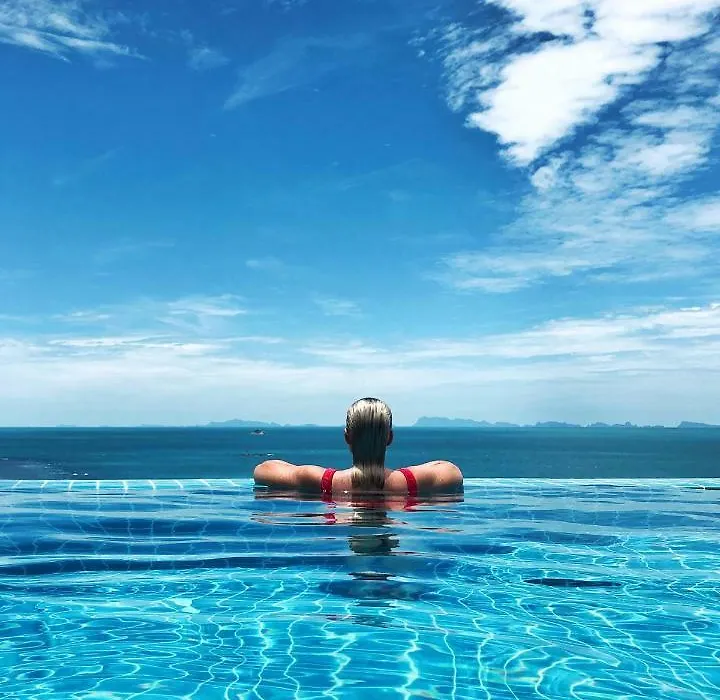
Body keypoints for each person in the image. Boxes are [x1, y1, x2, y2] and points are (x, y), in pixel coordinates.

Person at [253, 397, 463, 498]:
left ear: (347, 438)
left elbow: (263, 469)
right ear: (389, 438)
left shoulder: (322, 481)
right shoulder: (411, 482)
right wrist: (404, 475)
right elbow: (450, 470)